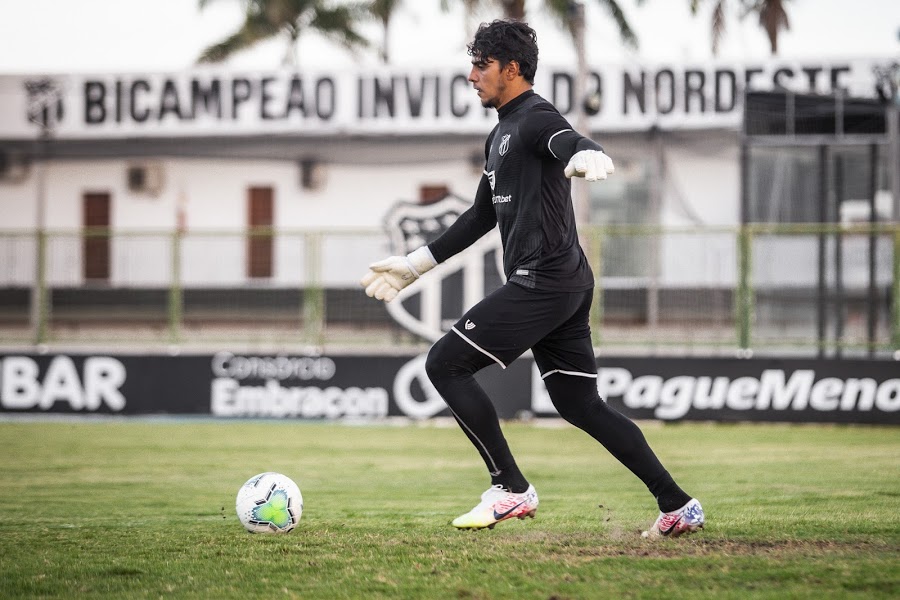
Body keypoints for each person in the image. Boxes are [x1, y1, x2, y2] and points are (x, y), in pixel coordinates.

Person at [360, 19, 704, 538]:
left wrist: (585, 152)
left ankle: (511, 488)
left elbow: (567, 139)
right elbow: (480, 217)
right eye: (472, 64)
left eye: (482, 65)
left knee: (445, 364)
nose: (472, 75)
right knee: (579, 403)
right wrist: (415, 265)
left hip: (543, 280)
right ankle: (678, 504)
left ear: (511, 69)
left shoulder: (536, 117)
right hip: (564, 280)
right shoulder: (500, 131)